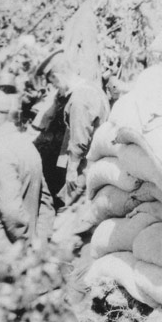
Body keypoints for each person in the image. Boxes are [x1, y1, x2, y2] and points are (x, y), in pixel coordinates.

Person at [31, 49, 110, 210]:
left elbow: (80, 139)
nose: (54, 87)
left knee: (68, 218)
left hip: (84, 168)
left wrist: (72, 171)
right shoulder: (91, 88)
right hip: (96, 162)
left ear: (57, 77)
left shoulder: (79, 100)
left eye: (53, 82)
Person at [0, 100, 56, 245]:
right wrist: (40, 240)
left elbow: (11, 211)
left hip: (0, 249)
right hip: (25, 247)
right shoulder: (26, 144)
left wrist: (25, 243)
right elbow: (45, 200)